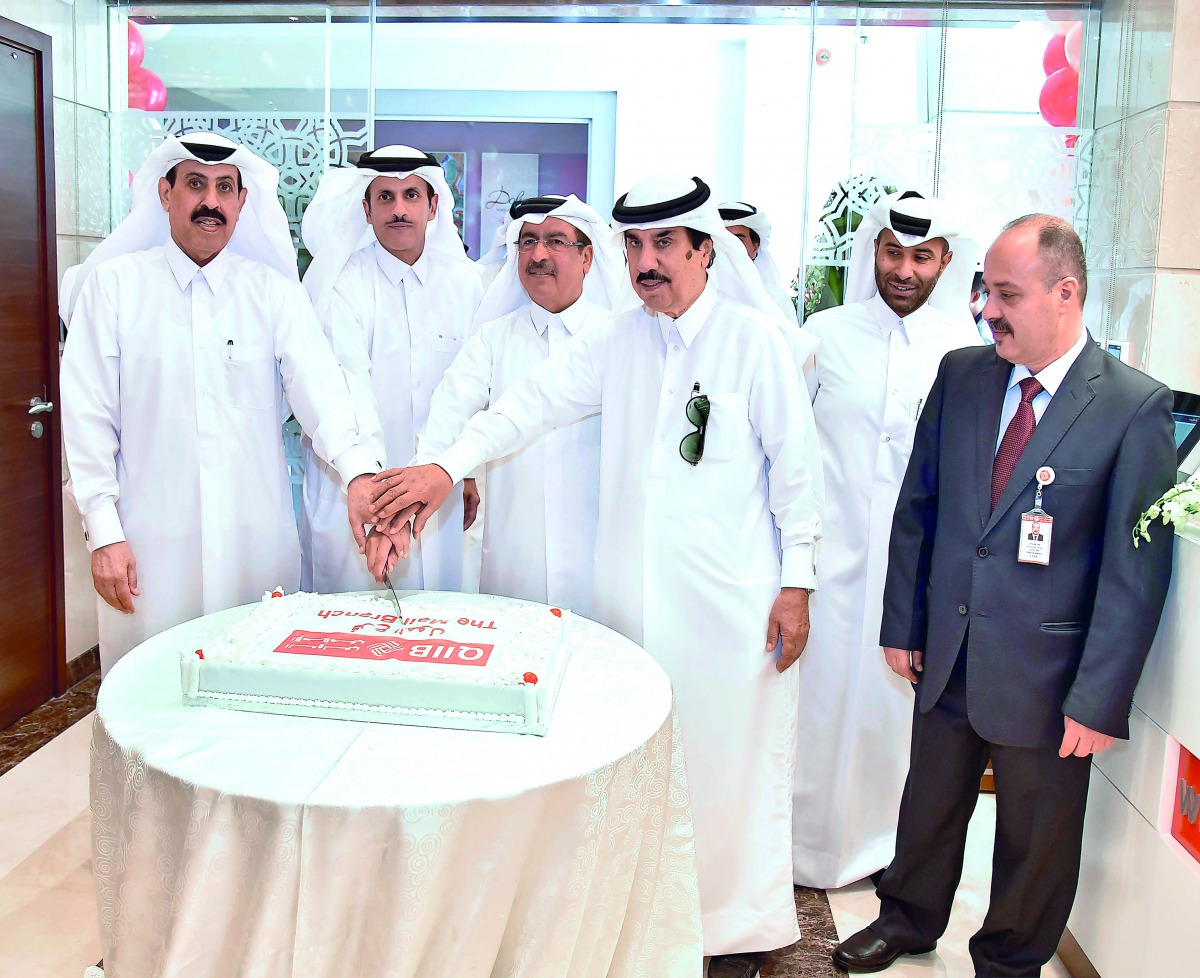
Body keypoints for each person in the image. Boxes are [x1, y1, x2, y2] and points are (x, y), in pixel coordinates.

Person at [366, 175, 822, 978]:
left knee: (727, 768)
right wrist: (446, 466)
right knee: (644, 769)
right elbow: (526, 406)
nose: (646, 264)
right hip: (633, 608)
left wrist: (799, 583)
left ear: (704, 252)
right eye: (634, 247)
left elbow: (798, 474)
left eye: (664, 247)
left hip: (731, 606)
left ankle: (732, 933)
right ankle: (647, 919)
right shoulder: (619, 340)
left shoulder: (755, 343)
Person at [832, 214, 1177, 977]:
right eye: (985, 290)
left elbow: (1135, 568)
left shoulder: (1132, 407)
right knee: (929, 803)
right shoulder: (963, 374)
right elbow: (918, 506)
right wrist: (904, 621)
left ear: (1066, 293)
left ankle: (1011, 959)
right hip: (948, 650)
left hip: (1051, 676)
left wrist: (1100, 697)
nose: (987, 308)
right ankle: (908, 919)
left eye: (1007, 294)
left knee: (1035, 833)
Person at [60, 132, 380, 676]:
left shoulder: (274, 295)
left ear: (240, 202)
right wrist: (104, 532)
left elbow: (322, 394)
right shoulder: (113, 288)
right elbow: (89, 418)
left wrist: (358, 477)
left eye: (225, 188)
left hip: (252, 542)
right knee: (151, 693)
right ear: (165, 194)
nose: (211, 201)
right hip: (151, 544)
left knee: (251, 690)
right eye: (195, 185)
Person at [792, 191, 983, 889]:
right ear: (873, 251)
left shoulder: (964, 351)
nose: (904, 270)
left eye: (921, 257)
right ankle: (798, 847)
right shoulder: (825, 332)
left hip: (915, 576)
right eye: (892, 253)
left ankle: (882, 851)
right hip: (824, 563)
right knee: (815, 705)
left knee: (890, 716)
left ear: (946, 263)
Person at [405, 195, 625, 615]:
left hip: (597, 559)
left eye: (556, 241)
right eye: (528, 242)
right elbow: (449, 411)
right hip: (514, 556)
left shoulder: (618, 337)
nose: (539, 254)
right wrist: (425, 478)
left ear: (587, 258)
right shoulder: (493, 338)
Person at [299, 144, 483, 593]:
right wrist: (380, 497)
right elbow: (347, 385)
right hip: (356, 484)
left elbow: (476, 389)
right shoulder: (342, 283)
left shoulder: (466, 284)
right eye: (385, 197)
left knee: (436, 629)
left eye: (411, 196)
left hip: (439, 486)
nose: (399, 209)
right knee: (350, 633)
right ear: (366, 208)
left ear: (433, 205)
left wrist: (469, 471)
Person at [719, 200, 797, 320]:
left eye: (738, 241)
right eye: (721, 240)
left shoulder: (776, 301)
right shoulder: (695, 300)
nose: (729, 247)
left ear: (755, 247)